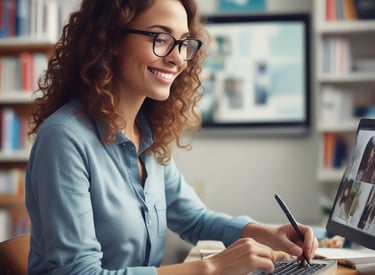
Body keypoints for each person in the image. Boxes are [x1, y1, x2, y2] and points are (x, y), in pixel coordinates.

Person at [25, 0, 319, 274]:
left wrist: (267, 233)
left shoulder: (146, 136)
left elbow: (196, 220)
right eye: (160, 39)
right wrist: (211, 268)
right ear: (111, 39)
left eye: (183, 43)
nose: (178, 59)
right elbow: (80, 272)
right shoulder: (64, 139)